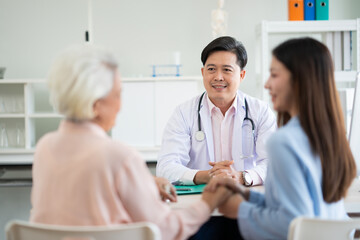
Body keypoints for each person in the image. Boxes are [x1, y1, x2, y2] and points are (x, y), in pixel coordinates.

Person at [30, 44, 231, 240]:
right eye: (118, 94)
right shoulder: (120, 157)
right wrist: (208, 202)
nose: (120, 104)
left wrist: (144, 183)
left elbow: (81, 189)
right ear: (96, 104)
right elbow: (166, 230)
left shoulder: (44, 148)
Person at [205, 37, 357, 240]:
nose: (267, 84)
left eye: (274, 75)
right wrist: (246, 195)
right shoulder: (328, 136)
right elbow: (300, 204)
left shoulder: (284, 141)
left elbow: (291, 223)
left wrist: (239, 209)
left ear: (300, 80)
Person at [156, 36, 277, 187]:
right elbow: (165, 166)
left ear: (241, 75)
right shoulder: (183, 113)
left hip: (248, 196)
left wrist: (242, 177)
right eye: (211, 69)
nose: (218, 77)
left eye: (227, 70)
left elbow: (274, 163)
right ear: (203, 72)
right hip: (199, 198)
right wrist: (206, 176)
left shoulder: (260, 112)